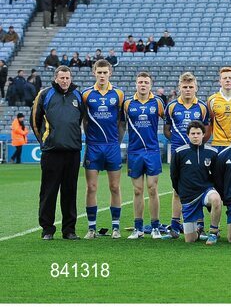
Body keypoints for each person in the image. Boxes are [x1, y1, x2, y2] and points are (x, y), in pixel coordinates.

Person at [32, 66, 86, 240]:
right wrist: (45, 141)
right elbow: (35, 121)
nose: (64, 81)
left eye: (67, 78)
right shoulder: (45, 94)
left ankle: (69, 230)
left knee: (70, 192)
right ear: (55, 78)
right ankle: (47, 229)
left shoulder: (78, 95)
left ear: (71, 78)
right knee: (49, 191)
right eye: (61, 78)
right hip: (52, 152)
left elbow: (80, 120)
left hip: (72, 152)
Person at [81, 60, 126, 240]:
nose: (102, 75)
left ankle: (116, 227)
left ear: (110, 73)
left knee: (114, 187)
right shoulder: (86, 95)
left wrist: (116, 142)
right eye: (99, 72)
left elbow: (121, 122)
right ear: (94, 73)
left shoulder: (118, 94)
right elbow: (84, 120)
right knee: (91, 187)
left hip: (112, 147)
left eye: (105, 72)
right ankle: (91, 228)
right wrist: (90, 139)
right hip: (93, 146)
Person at [164, 72, 212, 238]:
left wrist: (196, 145)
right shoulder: (171, 106)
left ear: (196, 88)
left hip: (197, 153)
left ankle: (200, 226)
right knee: (177, 190)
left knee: (199, 187)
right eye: (184, 87)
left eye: (191, 87)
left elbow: (207, 130)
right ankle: (175, 226)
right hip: (179, 153)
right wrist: (181, 146)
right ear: (179, 88)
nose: (188, 90)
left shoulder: (202, 107)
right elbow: (167, 130)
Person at [122, 72, 168, 240]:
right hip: (134, 151)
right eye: (140, 82)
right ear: (136, 84)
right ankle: (138, 228)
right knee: (137, 190)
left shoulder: (157, 102)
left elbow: (168, 121)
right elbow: (120, 123)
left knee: (152, 188)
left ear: (150, 85)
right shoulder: (127, 103)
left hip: (152, 151)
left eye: (146, 82)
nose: (143, 85)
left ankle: (155, 227)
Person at [170, 121, 223, 245]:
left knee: (216, 199)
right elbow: (174, 176)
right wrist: (182, 192)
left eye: (198, 133)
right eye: (192, 133)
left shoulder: (212, 153)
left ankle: (213, 232)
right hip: (189, 197)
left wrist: (214, 189)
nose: (195, 136)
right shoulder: (179, 153)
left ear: (203, 134)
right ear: (188, 135)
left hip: (206, 191)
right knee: (190, 240)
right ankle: (197, 232)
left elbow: (217, 176)